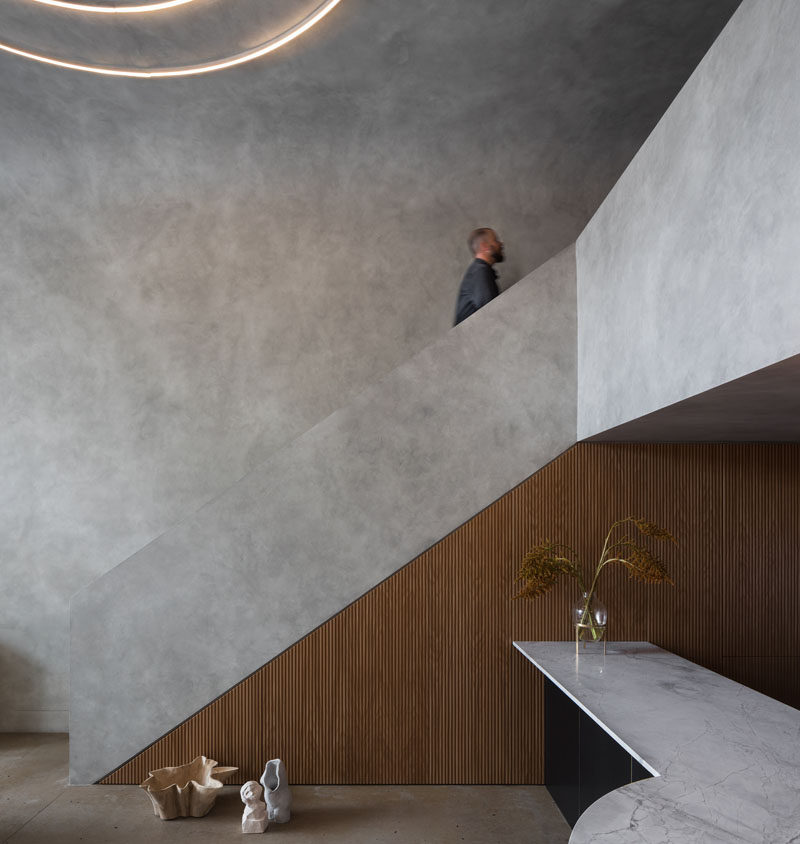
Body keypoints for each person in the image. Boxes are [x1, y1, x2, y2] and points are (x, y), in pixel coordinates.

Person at [453, 227, 504, 326]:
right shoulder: (480, 273)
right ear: (485, 246)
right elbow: (493, 314)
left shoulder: (480, 270)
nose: (500, 244)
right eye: (496, 240)